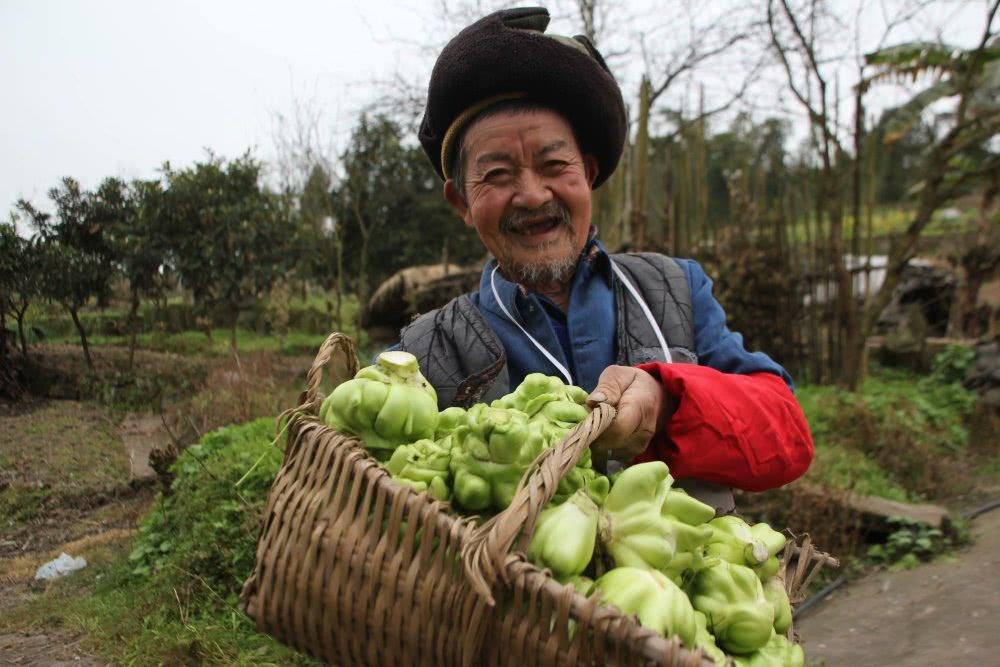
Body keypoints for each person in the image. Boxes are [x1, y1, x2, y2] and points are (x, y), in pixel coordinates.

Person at [397, 7, 813, 511]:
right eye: (499, 175)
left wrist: (667, 402)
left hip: (676, 588)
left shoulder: (675, 289)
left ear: (587, 173)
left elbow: (786, 436)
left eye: (554, 165)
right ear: (461, 201)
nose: (532, 195)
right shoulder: (421, 355)